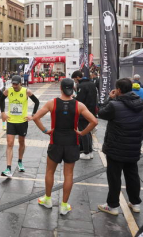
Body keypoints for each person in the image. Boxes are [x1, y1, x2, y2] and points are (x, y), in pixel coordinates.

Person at [29, 78, 97, 215]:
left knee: (49, 171)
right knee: (69, 174)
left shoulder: (52, 103)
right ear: (73, 89)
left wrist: (45, 131)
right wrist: (82, 133)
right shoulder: (79, 105)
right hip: (72, 142)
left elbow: (36, 117)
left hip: (56, 141)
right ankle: (64, 205)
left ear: (60, 88)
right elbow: (94, 121)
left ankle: (47, 200)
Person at [97, 78, 143, 215]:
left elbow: (100, 113)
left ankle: (112, 206)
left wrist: (109, 98)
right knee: (132, 176)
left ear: (118, 90)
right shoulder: (141, 104)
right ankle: (135, 203)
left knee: (114, 177)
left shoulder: (114, 105)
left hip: (116, 147)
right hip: (133, 147)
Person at [0, 75, 40, 177]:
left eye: (16, 84)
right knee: (10, 143)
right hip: (11, 121)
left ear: (20, 83)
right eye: (13, 84)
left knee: (21, 142)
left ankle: (20, 161)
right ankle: (8, 168)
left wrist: (33, 115)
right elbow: (1, 100)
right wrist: (3, 112)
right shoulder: (8, 91)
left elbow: (36, 102)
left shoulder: (26, 91)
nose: (14, 86)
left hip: (22, 121)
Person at [71, 70, 98, 160]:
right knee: (88, 131)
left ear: (78, 77)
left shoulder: (81, 86)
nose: (75, 81)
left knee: (84, 131)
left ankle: (87, 152)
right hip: (91, 111)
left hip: (83, 112)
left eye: (74, 79)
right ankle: (89, 151)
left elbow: (80, 100)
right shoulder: (91, 83)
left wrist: (74, 98)